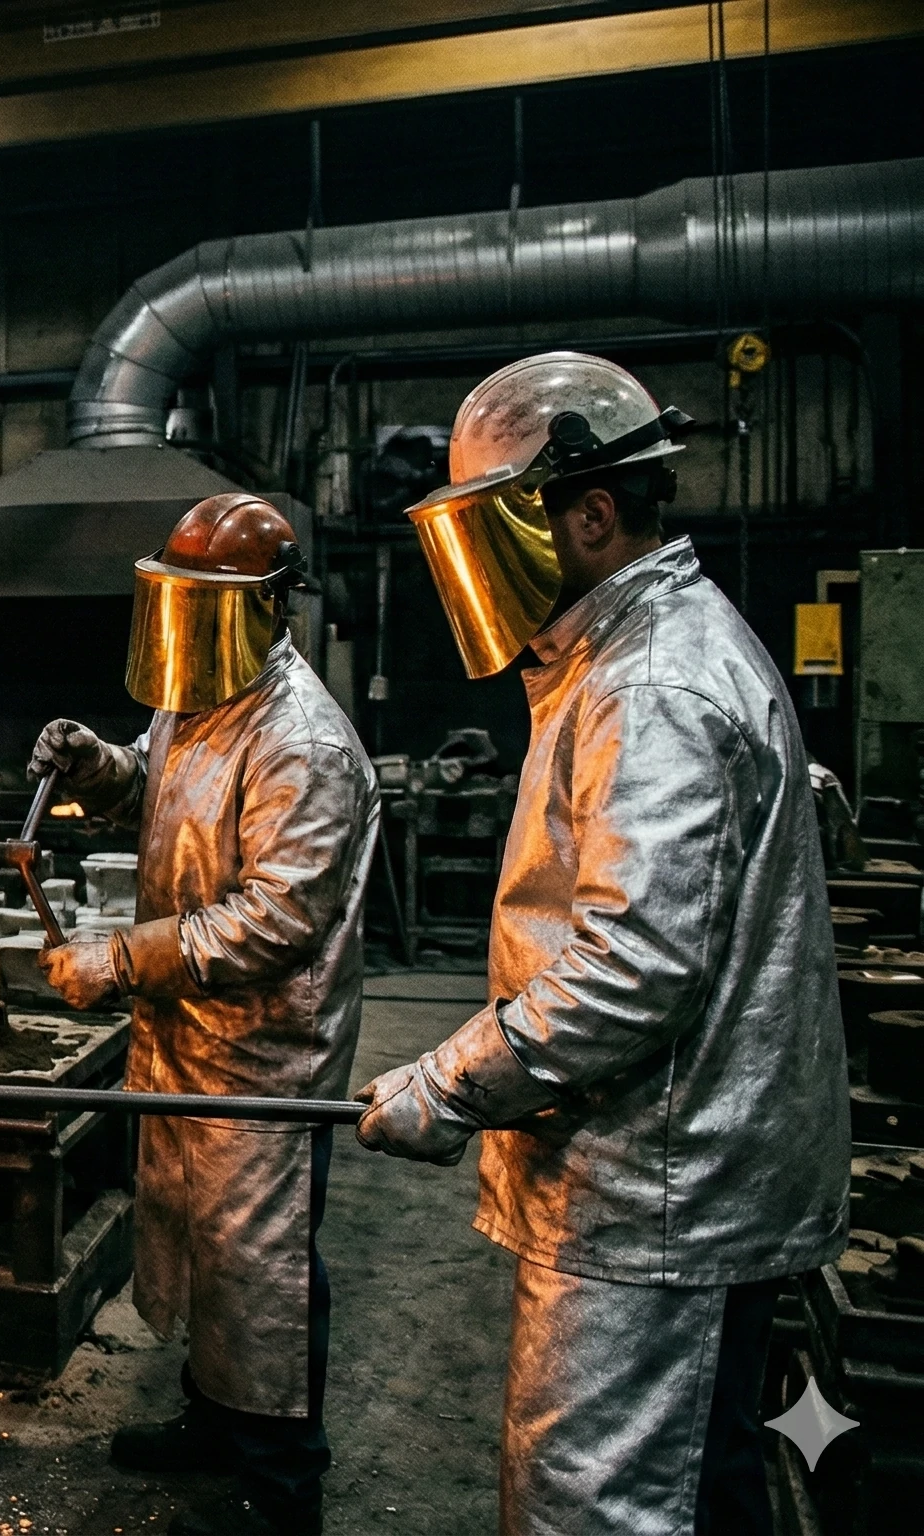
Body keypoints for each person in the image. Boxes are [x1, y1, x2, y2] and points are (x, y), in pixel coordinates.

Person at [355, 351, 849, 1535]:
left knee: (603, 1506)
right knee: (695, 1482)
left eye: (494, 530)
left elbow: (633, 967)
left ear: (588, 511)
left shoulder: (649, 684)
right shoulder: (629, 655)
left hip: (658, 1186)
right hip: (665, 1168)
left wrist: (452, 1077)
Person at [34, 492, 378, 1536]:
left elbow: (272, 921)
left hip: (262, 1060)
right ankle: (209, 1419)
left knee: (260, 1271)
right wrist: (101, 767)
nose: (185, 625)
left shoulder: (302, 744)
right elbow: (159, 794)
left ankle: (281, 1481)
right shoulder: (195, 693)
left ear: (270, 608)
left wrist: (119, 958)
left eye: (207, 605)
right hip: (186, 1039)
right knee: (197, 1248)